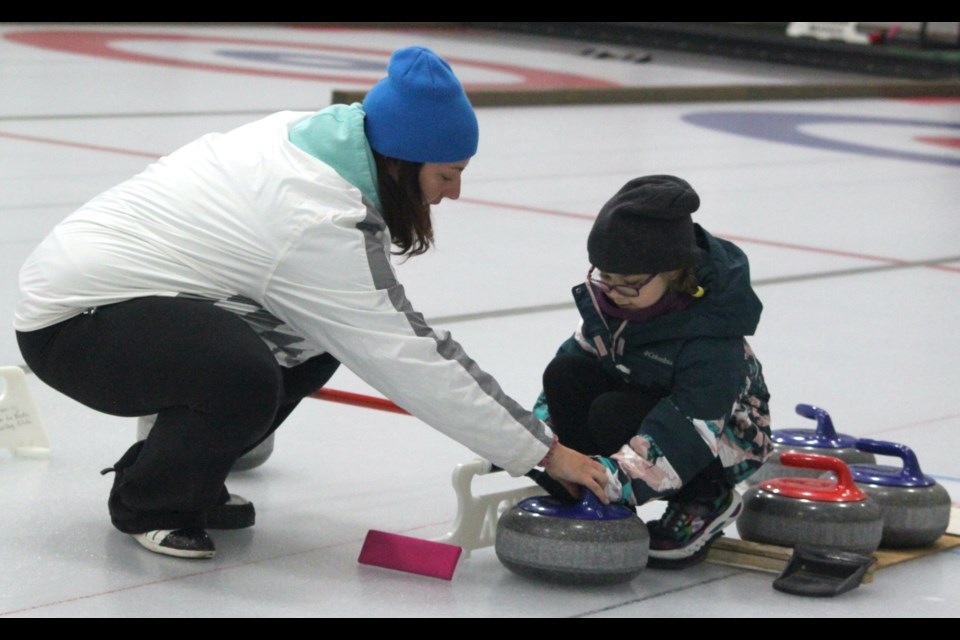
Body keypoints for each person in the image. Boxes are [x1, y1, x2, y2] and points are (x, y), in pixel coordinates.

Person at [14, 46, 610, 560]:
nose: (454, 192)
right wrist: (541, 451)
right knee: (243, 374)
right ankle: (151, 501)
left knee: (310, 342)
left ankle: (191, 470)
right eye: (447, 174)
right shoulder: (315, 217)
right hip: (76, 326)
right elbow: (407, 353)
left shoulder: (319, 140)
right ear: (403, 164)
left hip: (133, 299)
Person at [533, 175, 773, 569]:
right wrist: (544, 450)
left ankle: (707, 497)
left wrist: (612, 479)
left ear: (675, 272)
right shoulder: (614, 312)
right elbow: (561, 384)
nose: (613, 292)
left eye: (628, 284)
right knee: (567, 372)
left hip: (717, 440)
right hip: (645, 407)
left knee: (613, 412)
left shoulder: (711, 341)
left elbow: (687, 430)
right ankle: (587, 485)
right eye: (604, 278)